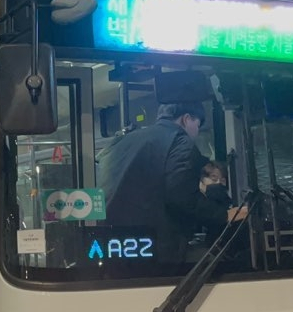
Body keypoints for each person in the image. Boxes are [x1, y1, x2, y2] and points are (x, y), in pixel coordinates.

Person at [98, 102, 246, 265]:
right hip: (159, 252)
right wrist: (224, 215)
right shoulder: (179, 141)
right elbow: (181, 194)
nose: (196, 133)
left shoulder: (120, 142)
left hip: (112, 247)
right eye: (197, 125)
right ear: (186, 119)